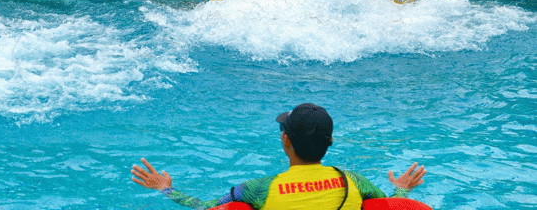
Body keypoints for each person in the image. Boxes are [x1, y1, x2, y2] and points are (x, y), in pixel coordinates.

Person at [131, 103, 426, 210]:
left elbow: (205, 207)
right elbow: (388, 205)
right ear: (330, 142)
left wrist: (165, 189)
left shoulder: (256, 189)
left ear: (285, 140)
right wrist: (402, 189)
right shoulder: (353, 181)